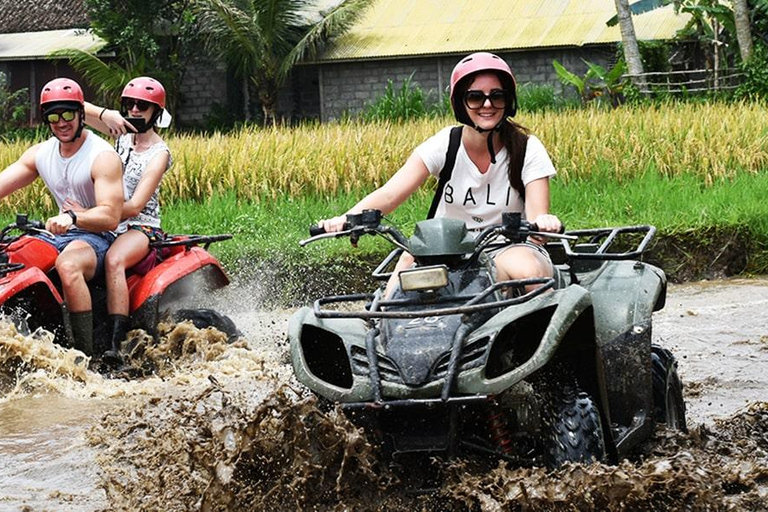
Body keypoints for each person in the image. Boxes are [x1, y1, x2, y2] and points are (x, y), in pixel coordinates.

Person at [319, 52, 562, 293]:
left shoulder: (527, 148)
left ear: (508, 101)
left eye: (497, 96)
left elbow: (536, 217)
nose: (487, 104)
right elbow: (390, 194)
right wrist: (346, 219)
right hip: (446, 249)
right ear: (460, 102)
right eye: (475, 97)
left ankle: (540, 328)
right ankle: (379, 323)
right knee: (407, 264)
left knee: (530, 272)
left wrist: (543, 223)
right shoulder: (445, 144)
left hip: (508, 246)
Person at [0, 77, 123, 354]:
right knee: (11, 258)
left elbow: (111, 216)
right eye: (53, 116)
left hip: (98, 238)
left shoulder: (101, 156)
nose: (61, 122)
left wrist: (74, 218)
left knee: (68, 266)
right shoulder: (41, 153)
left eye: (68, 113)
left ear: (81, 114)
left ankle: (84, 357)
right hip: (56, 234)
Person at [80, 77, 172, 359]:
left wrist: (86, 215)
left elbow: (134, 206)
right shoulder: (120, 137)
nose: (134, 110)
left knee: (114, 259)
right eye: (128, 104)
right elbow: (76, 108)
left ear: (156, 112)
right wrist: (108, 114)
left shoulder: (159, 154)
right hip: (107, 220)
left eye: (142, 106)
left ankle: (116, 343)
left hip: (140, 225)